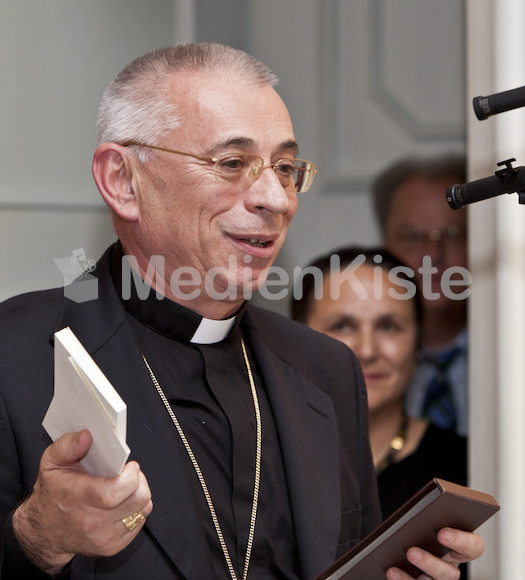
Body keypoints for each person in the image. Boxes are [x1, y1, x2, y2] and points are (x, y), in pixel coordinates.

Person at [0, 44, 483, 580]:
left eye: (284, 167)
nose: (276, 198)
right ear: (122, 180)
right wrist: (36, 539)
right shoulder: (15, 356)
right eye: (232, 163)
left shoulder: (327, 370)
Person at [291, 246, 467, 521]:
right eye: (342, 326)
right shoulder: (259, 462)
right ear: (297, 340)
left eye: (388, 326)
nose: (367, 350)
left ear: (418, 340)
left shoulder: (463, 469)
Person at [372, 155, 469, 437]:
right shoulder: (361, 354)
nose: (433, 256)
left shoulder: (511, 352)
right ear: (385, 248)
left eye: (453, 234)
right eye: (413, 237)